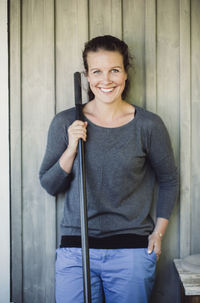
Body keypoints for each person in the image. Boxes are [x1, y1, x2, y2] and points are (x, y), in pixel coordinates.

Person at [39, 35, 179, 303]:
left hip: (132, 253)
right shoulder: (66, 122)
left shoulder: (148, 125)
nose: (106, 80)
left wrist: (158, 234)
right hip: (76, 251)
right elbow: (49, 185)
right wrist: (71, 148)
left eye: (114, 70)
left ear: (125, 74)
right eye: (97, 71)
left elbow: (169, 180)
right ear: (87, 77)